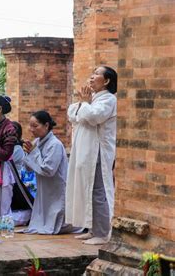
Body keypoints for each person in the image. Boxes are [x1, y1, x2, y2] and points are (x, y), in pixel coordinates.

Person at [66, 66, 118, 245]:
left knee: (97, 190)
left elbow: (94, 117)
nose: (91, 76)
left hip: (97, 152)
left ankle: (103, 232)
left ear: (107, 81)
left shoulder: (109, 99)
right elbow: (73, 114)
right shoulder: (92, 99)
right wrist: (84, 103)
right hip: (84, 150)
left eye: (97, 74)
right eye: (92, 73)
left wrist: (85, 104)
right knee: (85, 189)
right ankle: (91, 228)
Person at [21, 111, 78, 235]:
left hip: (56, 186)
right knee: (43, 216)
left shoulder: (55, 144)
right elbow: (30, 168)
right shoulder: (37, 142)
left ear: (46, 126)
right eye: (30, 126)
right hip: (43, 187)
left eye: (35, 126)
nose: (31, 130)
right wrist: (28, 153)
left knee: (55, 217)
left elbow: (49, 170)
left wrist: (34, 153)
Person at [0, 95, 33, 217]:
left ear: (0, 109)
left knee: (2, 206)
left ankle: (5, 226)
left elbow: (5, 154)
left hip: (4, 170)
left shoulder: (9, 128)